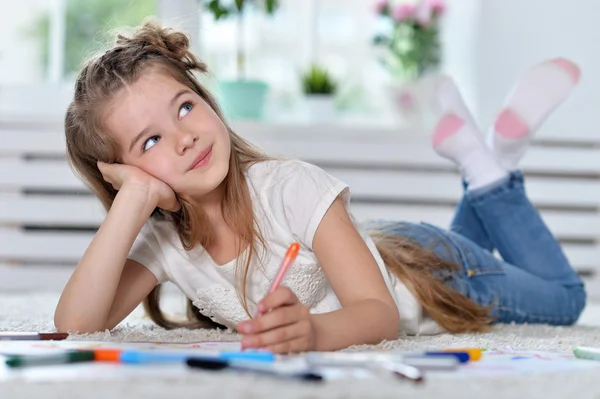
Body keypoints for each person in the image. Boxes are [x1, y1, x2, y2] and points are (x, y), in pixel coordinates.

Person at [54, 21, 586, 353]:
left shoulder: (291, 187)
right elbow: (76, 325)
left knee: (566, 298)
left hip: (431, 275)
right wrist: (135, 200)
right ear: (123, 172)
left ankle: (492, 172)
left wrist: (313, 333)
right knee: (494, 257)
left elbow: (377, 313)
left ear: (208, 102)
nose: (186, 138)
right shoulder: (165, 242)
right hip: (388, 247)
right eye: (149, 143)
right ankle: (482, 164)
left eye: (186, 107)